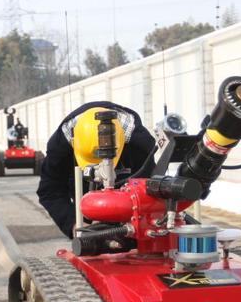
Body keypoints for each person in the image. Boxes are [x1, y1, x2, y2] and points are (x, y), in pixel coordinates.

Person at [36, 101, 155, 239]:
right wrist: (74, 224)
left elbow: (150, 188)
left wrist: (136, 223)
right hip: (87, 224)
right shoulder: (61, 147)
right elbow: (50, 191)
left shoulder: (138, 144)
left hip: (132, 223)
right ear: (75, 145)